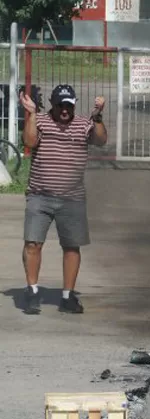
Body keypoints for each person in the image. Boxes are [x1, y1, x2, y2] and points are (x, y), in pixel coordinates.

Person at [19, 85, 108, 315]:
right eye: (60, 105)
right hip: (40, 195)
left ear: (74, 104)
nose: (65, 110)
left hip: (72, 198)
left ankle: (68, 297)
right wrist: (30, 113)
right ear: (52, 103)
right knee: (32, 243)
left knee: (71, 246)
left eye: (68, 105)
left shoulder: (83, 123)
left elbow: (100, 140)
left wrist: (97, 117)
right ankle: (32, 292)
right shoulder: (40, 121)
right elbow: (29, 142)